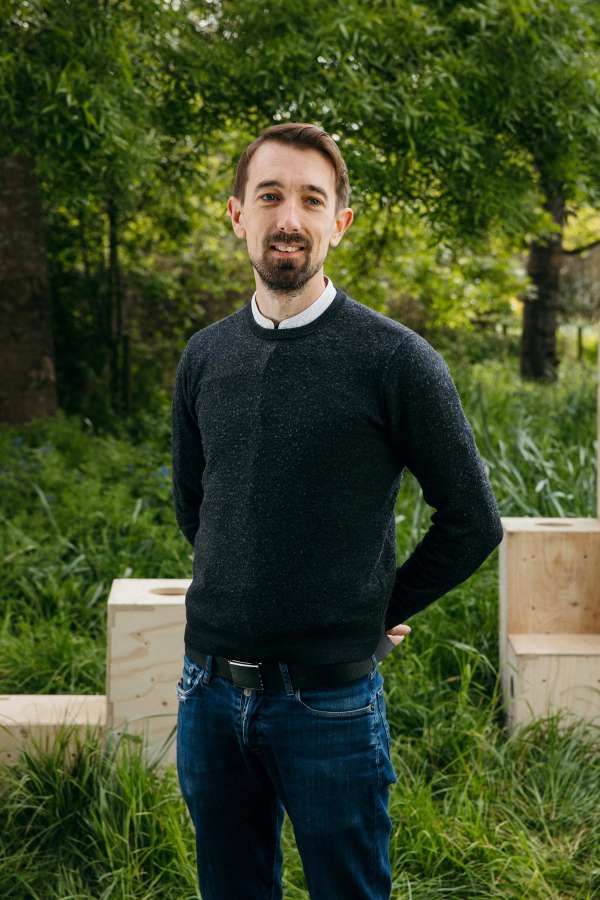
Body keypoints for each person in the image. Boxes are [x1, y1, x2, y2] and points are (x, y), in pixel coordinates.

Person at [171, 122, 504, 900]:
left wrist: (374, 606)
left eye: (311, 200)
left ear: (339, 223)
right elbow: (197, 505)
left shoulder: (396, 360)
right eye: (270, 196)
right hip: (208, 695)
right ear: (237, 215)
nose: (289, 218)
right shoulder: (205, 356)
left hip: (330, 705)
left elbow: (472, 519)